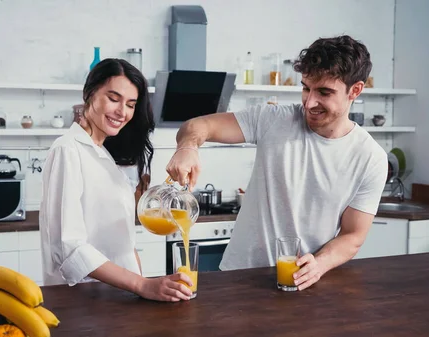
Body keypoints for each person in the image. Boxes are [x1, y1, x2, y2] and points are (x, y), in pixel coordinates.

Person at [166, 35, 388, 291]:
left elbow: (353, 235)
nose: (310, 102)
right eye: (306, 88)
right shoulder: (272, 120)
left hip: (301, 282)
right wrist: (187, 146)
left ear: (355, 90)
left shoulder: (370, 158)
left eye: (324, 92)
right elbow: (197, 126)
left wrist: (319, 264)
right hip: (238, 277)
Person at [40, 58, 193, 302]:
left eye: (131, 104)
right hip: (87, 303)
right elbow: (69, 247)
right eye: (114, 99)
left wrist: (143, 287)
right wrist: (142, 285)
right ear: (89, 93)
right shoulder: (67, 150)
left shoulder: (103, 155)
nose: (122, 112)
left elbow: (124, 242)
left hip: (121, 299)